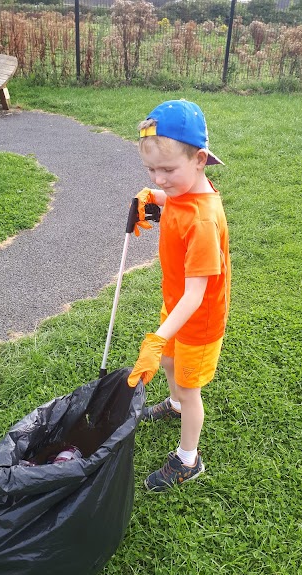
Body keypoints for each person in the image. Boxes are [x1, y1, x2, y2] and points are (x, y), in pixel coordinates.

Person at [127, 99, 231, 492]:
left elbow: (196, 295)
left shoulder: (205, 222)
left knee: (190, 388)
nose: (161, 177)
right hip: (175, 305)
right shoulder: (184, 191)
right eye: (151, 170)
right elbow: (177, 200)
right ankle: (171, 404)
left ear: (200, 159)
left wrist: (156, 337)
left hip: (198, 320)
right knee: (170, 363)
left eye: (167, 169)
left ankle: (189, 459)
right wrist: (155, 197)